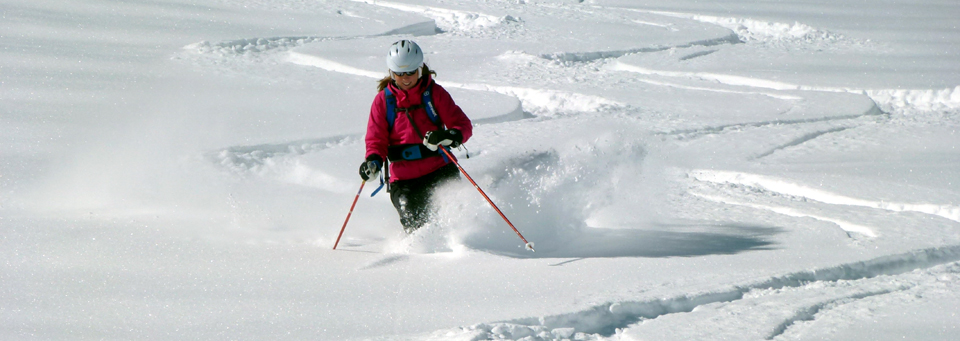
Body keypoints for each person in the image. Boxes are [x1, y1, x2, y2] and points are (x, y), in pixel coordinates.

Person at [359, 40, 473, 233]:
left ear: (420, 69)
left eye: (410, 72)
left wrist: (448, 136)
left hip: (440, 170)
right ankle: (419, 259)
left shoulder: (434, 94)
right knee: (415, 223)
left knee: (455, 218)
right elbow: (376, 139)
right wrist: (373, 161)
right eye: (399, 73)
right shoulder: (383, 101)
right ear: (391, 72)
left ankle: (464, 253)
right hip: (404, 181)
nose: (405, 78)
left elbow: (462, 125)